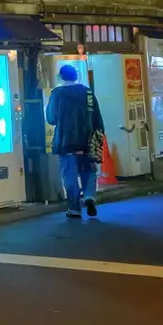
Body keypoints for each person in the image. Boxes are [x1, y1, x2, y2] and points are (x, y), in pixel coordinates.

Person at [45, 63, 104, 219]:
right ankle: (90, 196)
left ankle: (74, 208)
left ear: (61, 77)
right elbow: (97, 118)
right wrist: (99, 138)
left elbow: (51, 118)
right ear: (76, 76)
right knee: (89, 170)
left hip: (66, 143)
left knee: (69, 175)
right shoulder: (88, 93)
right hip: (87, 141)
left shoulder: (57, 94)